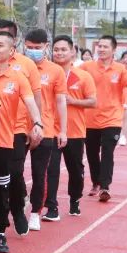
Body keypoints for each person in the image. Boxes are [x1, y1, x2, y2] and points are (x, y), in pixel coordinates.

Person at [0, 31, 42, 253]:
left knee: (7, 181)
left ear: (12, 50)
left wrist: (37, 123)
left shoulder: (18, 77)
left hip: (7, 137)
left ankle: (8, 223)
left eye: (0, 45)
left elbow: (31, 101)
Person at [83, 36, 127, 202]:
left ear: (114, 50)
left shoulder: (121, 69)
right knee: (92, 153)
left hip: (112, 118)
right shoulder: (87, 67)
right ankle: (96, 181)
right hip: (90, 118)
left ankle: (105, 187)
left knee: (107, 152)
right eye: (99, 46)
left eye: (105, 47)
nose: (101, 49)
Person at [22, 29, 67, 228]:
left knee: (40, 173)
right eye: (29, 47)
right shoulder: (18, 67)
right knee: (14, 171)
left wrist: (63, 130)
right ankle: (20, 199)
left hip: (45, 129)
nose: (33, 51)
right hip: (19, 127)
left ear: (46, 47)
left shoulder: (56, 71)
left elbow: (61, 101)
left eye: (37, 48)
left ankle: (35, 212)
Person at [49, 35, 97, 217]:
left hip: (75, 131)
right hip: (51, 130)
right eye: (56, 49)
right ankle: (51, 206)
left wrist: (73, 101)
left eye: (63, 49)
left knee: (75, 170)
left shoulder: (83, 76)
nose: (59, 53)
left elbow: (92, 102)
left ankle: (75, 199)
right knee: (51, 169)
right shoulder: (47, 73)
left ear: (72, 52)